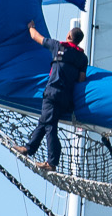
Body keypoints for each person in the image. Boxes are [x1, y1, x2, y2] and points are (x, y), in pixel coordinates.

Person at [17, 23, 87, 172]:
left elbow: (35, 36)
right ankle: (28, 148)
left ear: (69, 36)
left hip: (52, 93)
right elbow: (81, 79)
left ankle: (52, 162)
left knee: (49, 125)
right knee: (44, 121)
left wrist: (30, 25)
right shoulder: (82, 58)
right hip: (66, 98)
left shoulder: (58, 46)